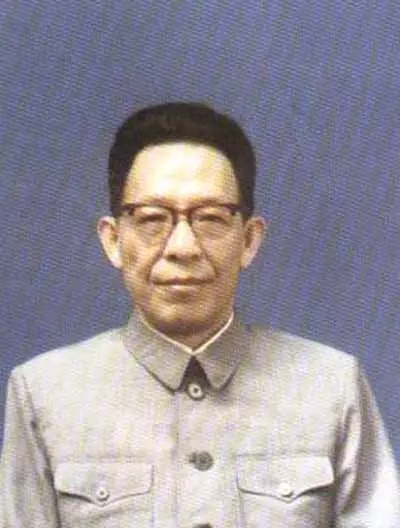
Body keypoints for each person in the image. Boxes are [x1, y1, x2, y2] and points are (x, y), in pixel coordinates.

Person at [0, 102, 399, 528]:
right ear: (113, 239)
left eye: (210, 218)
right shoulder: (45, 394)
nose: (183, 247)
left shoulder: (330, 387)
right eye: (152, 219)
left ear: (249, 240)